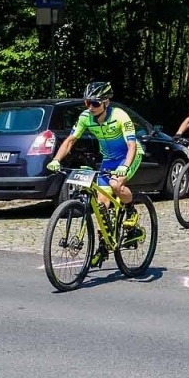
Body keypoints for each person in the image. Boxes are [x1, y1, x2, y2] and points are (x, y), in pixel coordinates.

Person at [46, 82, 144, 256]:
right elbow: (70, 141)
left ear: (106, 102)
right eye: (87, 103)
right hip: (108, 159)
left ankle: (130, 211)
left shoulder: (120, 116)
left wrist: (124, 166)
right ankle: (103, 245)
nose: (90, 107)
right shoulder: (85, 117)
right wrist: (56, 160)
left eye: (95, 103)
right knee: (101, 205)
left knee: (116, 185)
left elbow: (131, 146)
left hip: (129, 155)